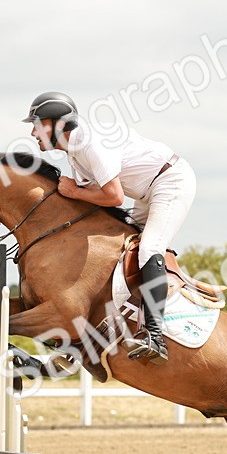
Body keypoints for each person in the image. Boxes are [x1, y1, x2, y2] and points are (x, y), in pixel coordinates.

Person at [22, 90, 196, 362]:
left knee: (149, 248)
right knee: (119, 250)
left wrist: (75, 193)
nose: (33, 133)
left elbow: (114, 197)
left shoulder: (89, 144)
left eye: (36, 125)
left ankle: (155, 335)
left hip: (170, 182)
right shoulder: (74, 153)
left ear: (54, 124)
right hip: (144, 191)